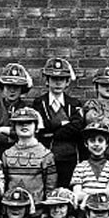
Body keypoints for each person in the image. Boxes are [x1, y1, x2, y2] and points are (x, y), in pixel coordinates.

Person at [33, 57, 84, 188]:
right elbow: (41, 128)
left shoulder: (74, 104)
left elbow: (77, 127)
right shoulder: (39, 103)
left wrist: (53, 131)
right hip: (46, 156)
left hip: (70, 157)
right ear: (47, 81)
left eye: (61, 79)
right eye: (54, 79)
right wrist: (63, 123)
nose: (57, 83)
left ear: (67, 82)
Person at [3, 107, 57, 204]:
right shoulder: (7, 154)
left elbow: (50, 187)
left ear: (36, 127)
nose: (24, 125)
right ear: (14, 127)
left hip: (37, 210)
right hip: (12, 208)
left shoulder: (45, 154)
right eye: (19, 123)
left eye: (29, 122)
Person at [0, 63, 34, 159]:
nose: (12, 90)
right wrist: (9, 140)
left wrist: (6, 130)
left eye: (16, 87)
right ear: (3, 87)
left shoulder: (28, 109)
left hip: (22, 154)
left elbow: (29, 132)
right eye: (8, 86)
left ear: (22, 89)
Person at [71, 123, 109, 208]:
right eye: (92, 140)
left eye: (100, 140)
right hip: (86, 210)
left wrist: (86, 193)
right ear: (86, 144)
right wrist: (102, 192)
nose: (96, 144)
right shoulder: (80, 167)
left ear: (106, 144)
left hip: (106, 209)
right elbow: (77, 194)